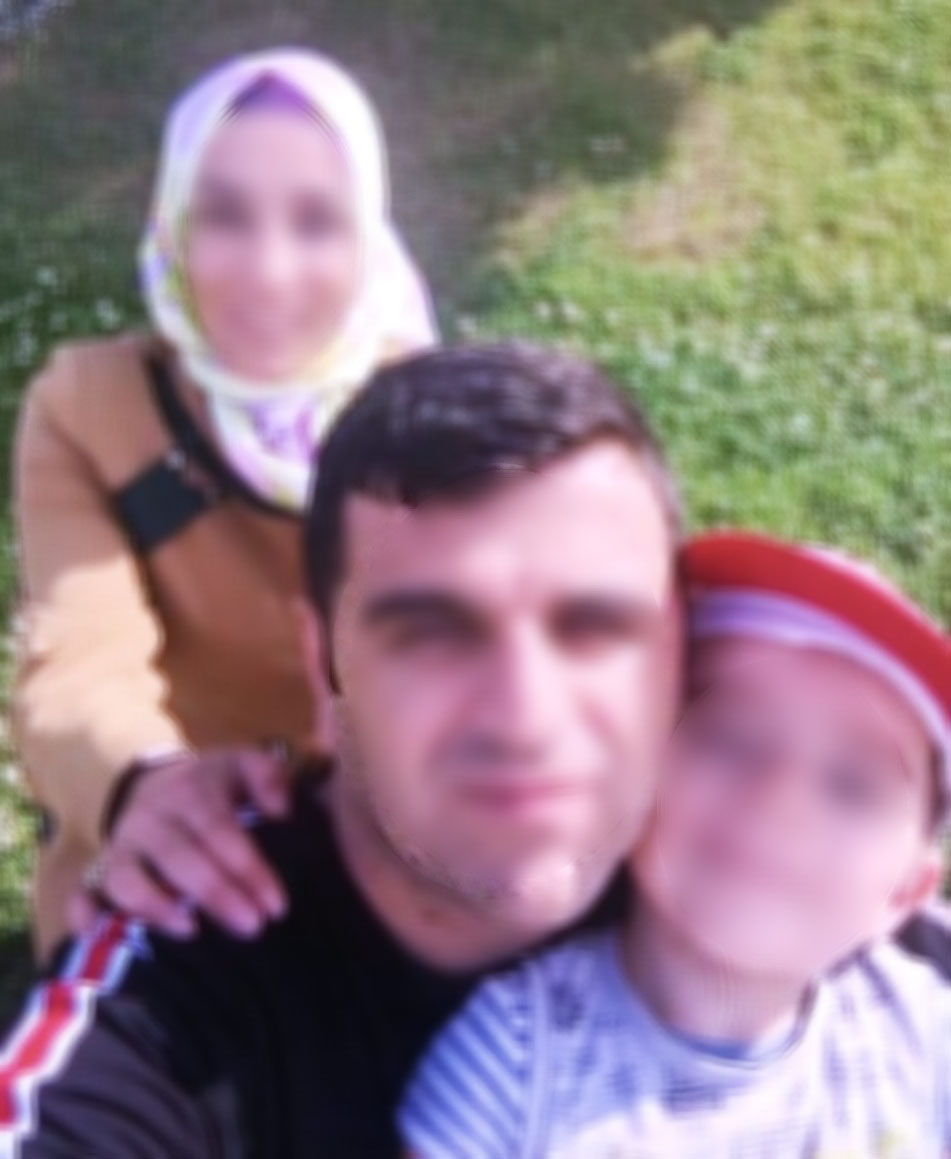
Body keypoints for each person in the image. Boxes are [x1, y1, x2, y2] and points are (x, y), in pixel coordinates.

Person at [0, 343, 685, 1157]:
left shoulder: (769, 867)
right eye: (432, 633)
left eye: (598, 626)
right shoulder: (170, 1004)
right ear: (321, 665)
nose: (525, 715)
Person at [12, 47, 437, 962]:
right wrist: (149, 788)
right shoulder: (91, 409)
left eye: (315, 222)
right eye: (225, 216)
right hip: (159, 864)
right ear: (172, 225)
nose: (267, 271)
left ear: (368, 241)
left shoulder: (428, 415)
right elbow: (78, 663)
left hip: (385, 853)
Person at [400, 530, 951, 1158]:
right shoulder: (515, 1064)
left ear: (905, 894)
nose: (779, 799)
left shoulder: (923, 1038)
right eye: (731, 737)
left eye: (852, 786)